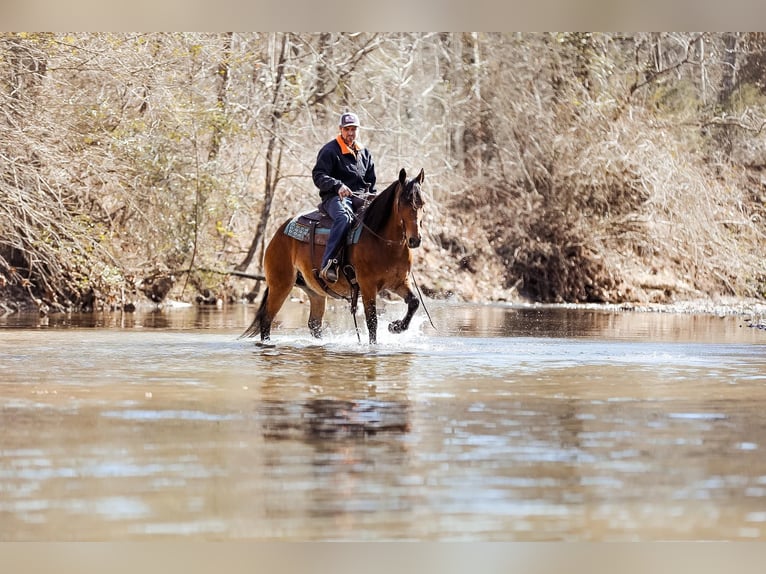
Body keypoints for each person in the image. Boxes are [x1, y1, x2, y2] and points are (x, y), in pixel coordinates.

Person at [312, 111, 377, 283]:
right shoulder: (329, 150)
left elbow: (371, 182)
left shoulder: (365, 153)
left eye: (353, 129)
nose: (350, 133)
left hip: (361, 198)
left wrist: (373, 198)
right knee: (344, 218)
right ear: (340, 129)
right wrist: (337, 185)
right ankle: (329, 264)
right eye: (347, 129)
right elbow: (318, 175)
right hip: (334, 198)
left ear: (358, 130)